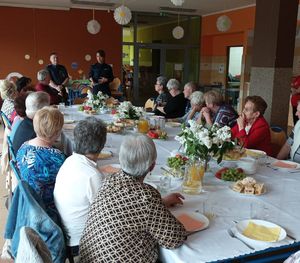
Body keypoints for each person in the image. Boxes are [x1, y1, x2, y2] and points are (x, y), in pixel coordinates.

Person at [79, 135, 187, 263]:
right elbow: (174, 239)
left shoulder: (109, 180)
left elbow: (129, 210)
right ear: (152, 166)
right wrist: (158, 204)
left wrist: (162, 203)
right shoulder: (146, 197)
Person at [54, 117, 107, 257]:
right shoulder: (92, 176)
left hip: (66, 233)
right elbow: (108, 217)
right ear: (102, 144)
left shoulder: (70, 160)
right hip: (82, 245)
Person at [16, 107, 65, 209]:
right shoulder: (55, 157)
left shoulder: (24, 146)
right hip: (45, 210)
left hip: (26, 202)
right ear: (56, 132)